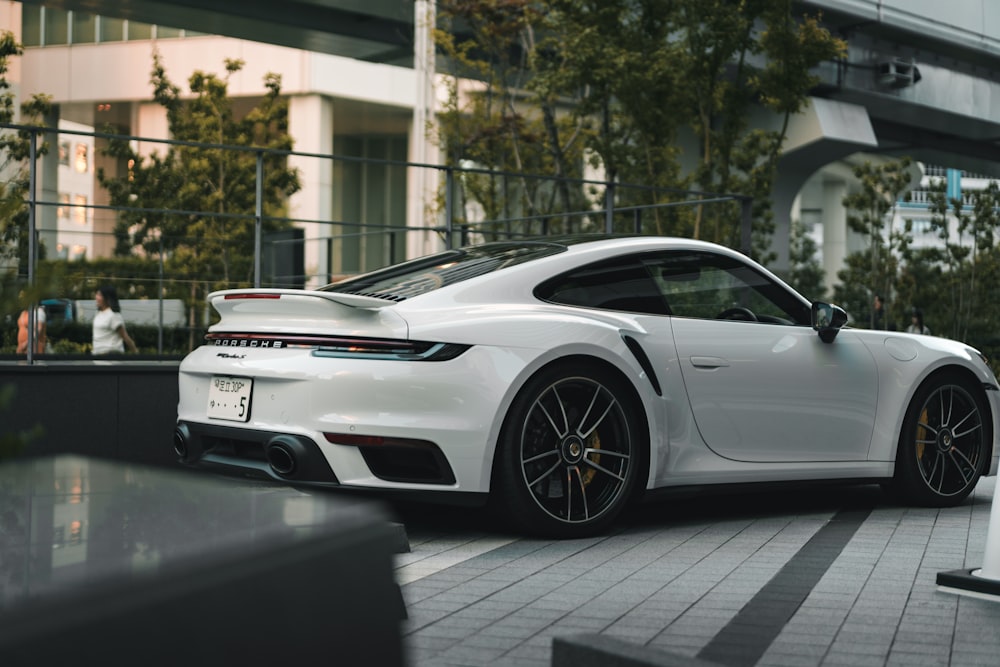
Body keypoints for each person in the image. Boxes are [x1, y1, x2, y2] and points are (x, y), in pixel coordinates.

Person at [92, 285, 138, 355]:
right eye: (97, 294)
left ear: (107, 298)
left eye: (100, 295)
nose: (96, 297)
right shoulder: (98, 314)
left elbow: (125, 336)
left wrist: (136, 354)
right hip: (98, 354)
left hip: (111, 355)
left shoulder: (113, 315)